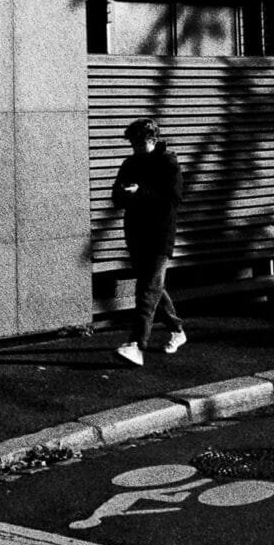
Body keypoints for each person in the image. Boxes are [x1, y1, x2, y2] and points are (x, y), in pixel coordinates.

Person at [110, 117, 185, 366]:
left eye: (140, 144)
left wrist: (140, 192)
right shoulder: (130, 163)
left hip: (160, 234)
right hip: (136, 232)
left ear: (152, 140)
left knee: (146, 288)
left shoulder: (168, 162)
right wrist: (123, 193)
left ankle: (136, 345)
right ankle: (177, 329)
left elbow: (172, 199)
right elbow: (116, 198)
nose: (135, 149)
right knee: (152, 286)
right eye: (132, 144)